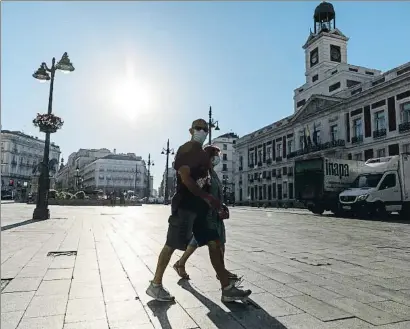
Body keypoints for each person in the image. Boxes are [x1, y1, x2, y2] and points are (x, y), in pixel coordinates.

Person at [146, 118, 251, 302]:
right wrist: (208, 198)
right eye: (199, 128)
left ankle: (226, 288)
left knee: (215, 243)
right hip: (185, 206)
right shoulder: (186, 149)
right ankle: (155, 285)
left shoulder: (203, 156)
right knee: (171, 244)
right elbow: (186, 179)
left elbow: (208, 184)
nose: (202, 131)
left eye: (205, 128)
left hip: (202, 209)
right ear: (191, 130)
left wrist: (217, 203)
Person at [173, 145, 239, 282]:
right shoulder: (203, 172)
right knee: (217, 242)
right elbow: (199, 192)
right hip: (207, 213)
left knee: (204, 241)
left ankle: (181, 263)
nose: (217, 159)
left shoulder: (212, 172)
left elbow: (215, 192)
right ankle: (222, 272)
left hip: (214, 212)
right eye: (215, 155)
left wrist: (222, 205)